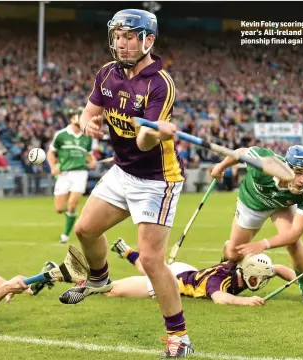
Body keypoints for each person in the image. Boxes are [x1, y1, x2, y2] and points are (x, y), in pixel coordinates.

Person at [58, 9, 193, 358]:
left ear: (147, 40)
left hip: (156, 181)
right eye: (117, 35)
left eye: (129, 36)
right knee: (85, 230)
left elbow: (143, 143)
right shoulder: (107, 73)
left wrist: (151, 132)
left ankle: (179, 336)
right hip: (122, 172)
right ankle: (99, 278)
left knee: (150, 260)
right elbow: (89, 111)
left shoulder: (160, 84)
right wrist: (89, 124)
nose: (121, 42)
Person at [211, 145, 303, 305]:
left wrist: (263, 244)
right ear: (286, 167)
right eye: (298, 173)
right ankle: (228, 248)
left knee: (294, 243)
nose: (302, 180)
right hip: (252, 204)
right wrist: (220, 167)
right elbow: (240, 152)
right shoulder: (263, 163)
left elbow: (295, 233)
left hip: (281, 206)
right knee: (234, 254)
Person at [104, 238, 303, 304]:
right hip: (175, 281)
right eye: (257, 279)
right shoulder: (219, 282)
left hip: (189, 271)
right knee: (112, 291)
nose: (260, 281)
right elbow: (220, 299)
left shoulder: (246, 270)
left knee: (150, 268)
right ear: (249, 273)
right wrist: (246, 302)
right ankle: (85, 281)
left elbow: (278, 268)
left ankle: (127, 252)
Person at [47, 107, 98, 244]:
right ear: (71, 118)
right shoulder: (61, 135)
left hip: (80, 174)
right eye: (78, 116)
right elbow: (51, 153)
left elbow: (89, 156)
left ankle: (65, 235)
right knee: (59, 208)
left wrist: (92, 162)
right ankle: (71, 216)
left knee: (72, 204)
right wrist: (53, 167)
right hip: (64, 174)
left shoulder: (87, 138)